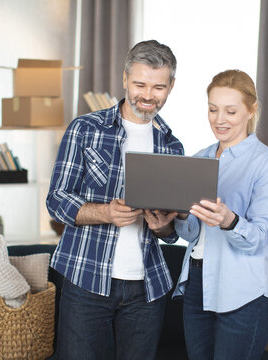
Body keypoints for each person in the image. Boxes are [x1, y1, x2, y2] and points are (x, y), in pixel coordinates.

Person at [46, 40, 184, 360]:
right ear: (124, 80)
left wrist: (163, 226)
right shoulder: (85, 129)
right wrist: (105, 212)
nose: (148, 95)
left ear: (171, 87)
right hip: (86, 279)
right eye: (139, 84)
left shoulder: (172, 145)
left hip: (146, 288)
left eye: (158, 87)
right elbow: (56, 200)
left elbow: (171, 232)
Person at [173, 69, 268, 360]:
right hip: (196, 284)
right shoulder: (199, 158)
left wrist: (229, 221)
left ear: (251, 110)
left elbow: (261, 238)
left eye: (230, 111)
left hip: (242, 292)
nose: (219, 119)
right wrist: (181, 215)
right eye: (213, 109)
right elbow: (190, 235)